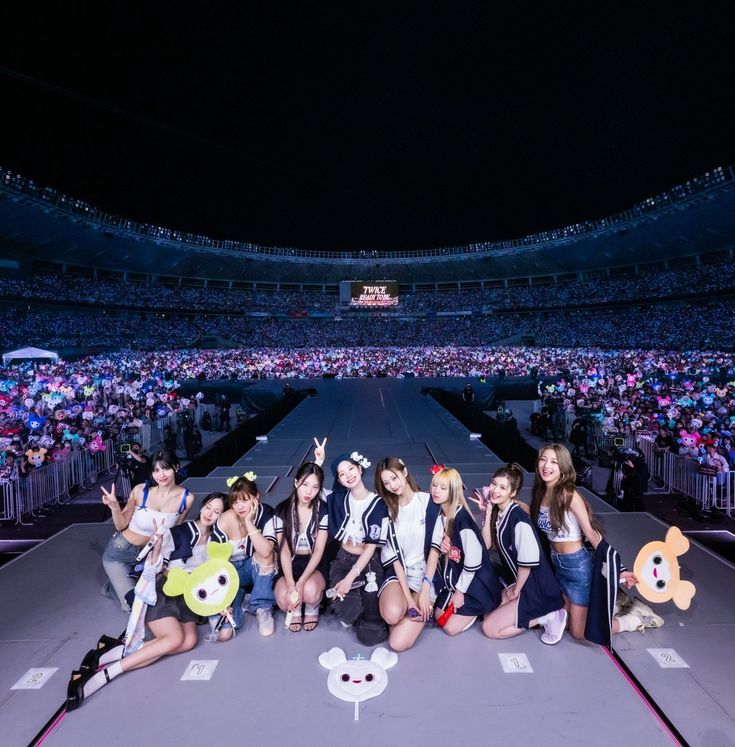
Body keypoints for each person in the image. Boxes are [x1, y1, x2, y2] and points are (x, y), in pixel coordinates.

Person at [67, 492, 227, 710]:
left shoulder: (217, 542)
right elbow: (155, 565)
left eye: (217, 511)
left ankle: (107, 654)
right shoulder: (180, 531)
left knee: (189, 642)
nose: (210, 513)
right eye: (209, 507)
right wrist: (158, 545)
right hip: (165, 593)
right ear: (203, 506)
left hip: (187, 601)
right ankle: (105, 674)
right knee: (173, 638)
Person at [530, 443, 661, 640]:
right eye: (543, 459)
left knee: (579, 632)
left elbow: (592, 535)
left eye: (554, 462)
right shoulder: (542, 492)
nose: (546, 466)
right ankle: (615, 603)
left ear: (564, 467)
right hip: (558, 564)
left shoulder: (568, 494)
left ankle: (635, 618)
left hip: (577, 568)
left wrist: (620, 568)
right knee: (562, 622)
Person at [479, 463, 567, 644]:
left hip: (536, 588)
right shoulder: (500, 512)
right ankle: (534, 611)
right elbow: (486, 545)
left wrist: (516, 591)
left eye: (503, 487)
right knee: (487, 612)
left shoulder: (519, 520)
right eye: (494, 484)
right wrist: (487, 514)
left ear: (512, 493)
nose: (495, 490)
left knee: (490, 628)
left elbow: (527, 563)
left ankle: (549, 617)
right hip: (521, 582)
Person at [101, 449, 194, 612]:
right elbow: (121, 525)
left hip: (150, 557)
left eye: (166, 468)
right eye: (156, 470)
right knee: (133, 607)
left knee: (154, 601)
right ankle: (112, 587)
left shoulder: (186, 498)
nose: (161, 474)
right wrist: (115, 507)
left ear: (176, 467)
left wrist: (165, 563)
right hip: (120, 552)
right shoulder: (140, 491)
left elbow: (174, 532)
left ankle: (121, 581)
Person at [419, 467, 502, 636]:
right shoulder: (441, 515)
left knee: (450, 628)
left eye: (443, 488)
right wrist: (447, 551)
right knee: (438, 615)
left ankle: (482, 608)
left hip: (475, 585)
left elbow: (473, 561)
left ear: (454, 490)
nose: (436, 491)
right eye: (434, 486)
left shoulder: (462, 519)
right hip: (455, 580)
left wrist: (460, 592)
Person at [375, 457, 440, 652]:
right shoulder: (387, 511)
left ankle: (409, 608)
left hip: (426, 577)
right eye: (386, 483)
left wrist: (425, 591)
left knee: (397, 644)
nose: (392, 485)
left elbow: (435, 551)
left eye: (394, 478)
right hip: (400, 574)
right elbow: (394, 560)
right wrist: (411, 601)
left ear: (404, 472)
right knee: (392, 615)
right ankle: (402, 605)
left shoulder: (428, 502)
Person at [327, 451, 390, 645]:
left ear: (360, 469)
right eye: (342, 474)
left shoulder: (378, 504)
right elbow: (309, 487)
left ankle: (364, 601)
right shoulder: (338, 499)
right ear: (339, 480)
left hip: (369, 564)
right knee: (347, 613)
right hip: (343, 560)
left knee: (370, 634)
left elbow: (370, 549)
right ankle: (357, 601)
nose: (348, 475)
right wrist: (318, 461)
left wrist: (349, 580)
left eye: (351, 469)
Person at [211, 474, 277, 636]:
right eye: (235, 501)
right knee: (224, 634)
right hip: (227, 573)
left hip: (253, 568)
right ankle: (239, 595)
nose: (240, 506)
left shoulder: (266, 513)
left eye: (245, 500)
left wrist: (249, 522)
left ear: (256, 497)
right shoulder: (224, 521)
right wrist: (221, 599)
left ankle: (262, 607)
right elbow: (215, 564)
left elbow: (266, 551)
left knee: (267, 555)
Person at [274, 462, 329, 632]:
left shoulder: (323, 510)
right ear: (296, 482)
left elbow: (319, 550)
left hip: (314, 562)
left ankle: (313, 606)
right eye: (305, 485)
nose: (309, 492)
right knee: (285, 600)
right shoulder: (282, 510)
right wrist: (291, 584)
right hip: (290, 561)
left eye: (315, 487)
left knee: (309, 592)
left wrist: (301, 582)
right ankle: (296, 607)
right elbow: (283, 550)